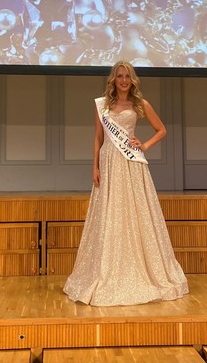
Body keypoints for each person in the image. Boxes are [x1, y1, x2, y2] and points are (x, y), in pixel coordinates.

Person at [63, 60, 189, 306]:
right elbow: (98, 138)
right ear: (114, 79)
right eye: (119, 76)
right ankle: (106, 269)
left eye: (127, 76)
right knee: (109, 213)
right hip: (109, 162)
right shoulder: (102, 105)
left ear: (132, 80)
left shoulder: (140, 104)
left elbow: (161, 129)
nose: (123, 80)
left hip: (131, 163)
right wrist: (94, 167)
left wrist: (145, 145)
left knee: (134, 211)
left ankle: (140, 269)